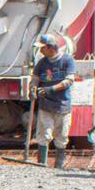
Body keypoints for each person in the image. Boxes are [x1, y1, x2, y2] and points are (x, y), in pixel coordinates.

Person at [31, 32, 76, 169]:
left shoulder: (67, 61)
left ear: (51, 47)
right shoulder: (42, 63)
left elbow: (69, 80)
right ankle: (41, 164)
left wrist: (51, 89)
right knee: (44, 134)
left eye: (43, 48)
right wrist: (33, 89)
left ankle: (59, 165)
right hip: (46, 105)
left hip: (62, 106)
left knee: (61, 137)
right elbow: (35, 79)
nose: (40, 50)